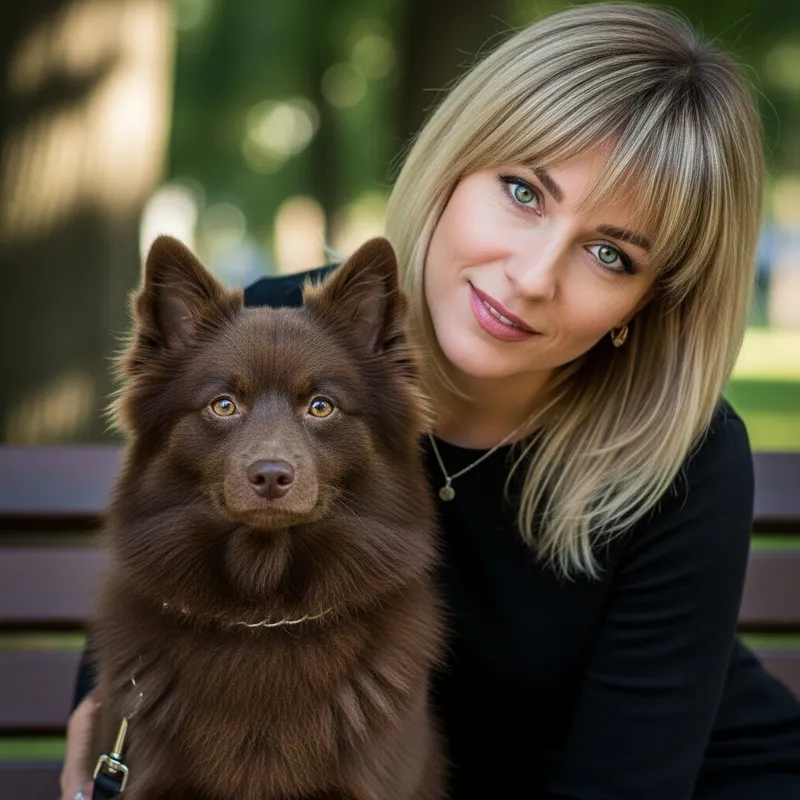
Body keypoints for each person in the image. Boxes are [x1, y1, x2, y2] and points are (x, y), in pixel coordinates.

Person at [62, 3, 800, 798]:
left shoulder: (683, 461)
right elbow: (122, 685)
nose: (533, 275)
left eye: (610, 253)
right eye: (522, 191)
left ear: (651, 302)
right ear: (453, 166)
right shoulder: (270, 348)